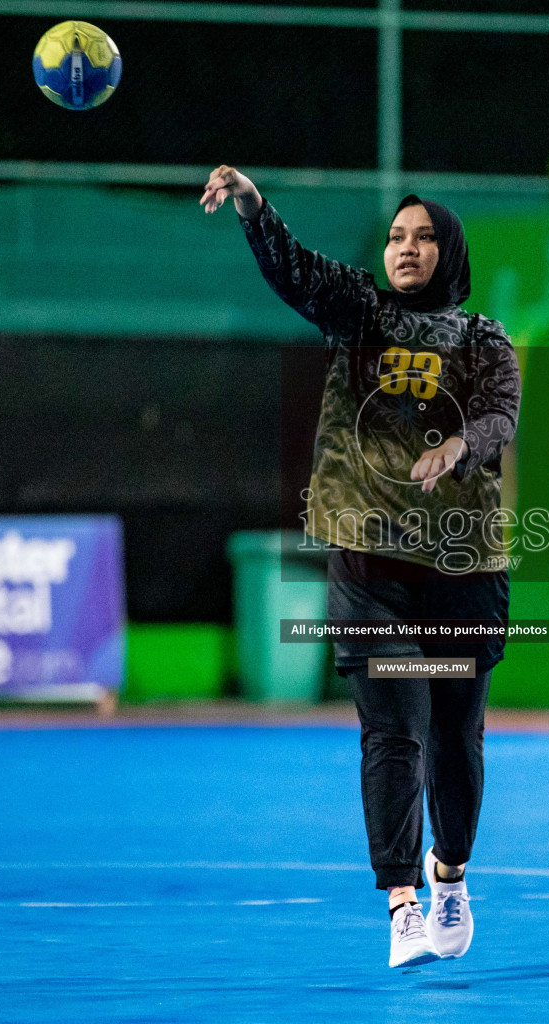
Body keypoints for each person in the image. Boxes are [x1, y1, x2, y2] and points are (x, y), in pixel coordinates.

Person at [202, 165, 520, 968]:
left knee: (455, 736)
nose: (406, 247)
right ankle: (403, 902)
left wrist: (459, 446)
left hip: (461, 567)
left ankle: (450, 876)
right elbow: (295, 270)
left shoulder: (482, 338)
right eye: (395, 236)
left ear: (449, 252)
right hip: (368, 563)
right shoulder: (359, 316)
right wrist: (253, 206)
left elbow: (499, 416)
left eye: (424, 237)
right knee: (394, 728)